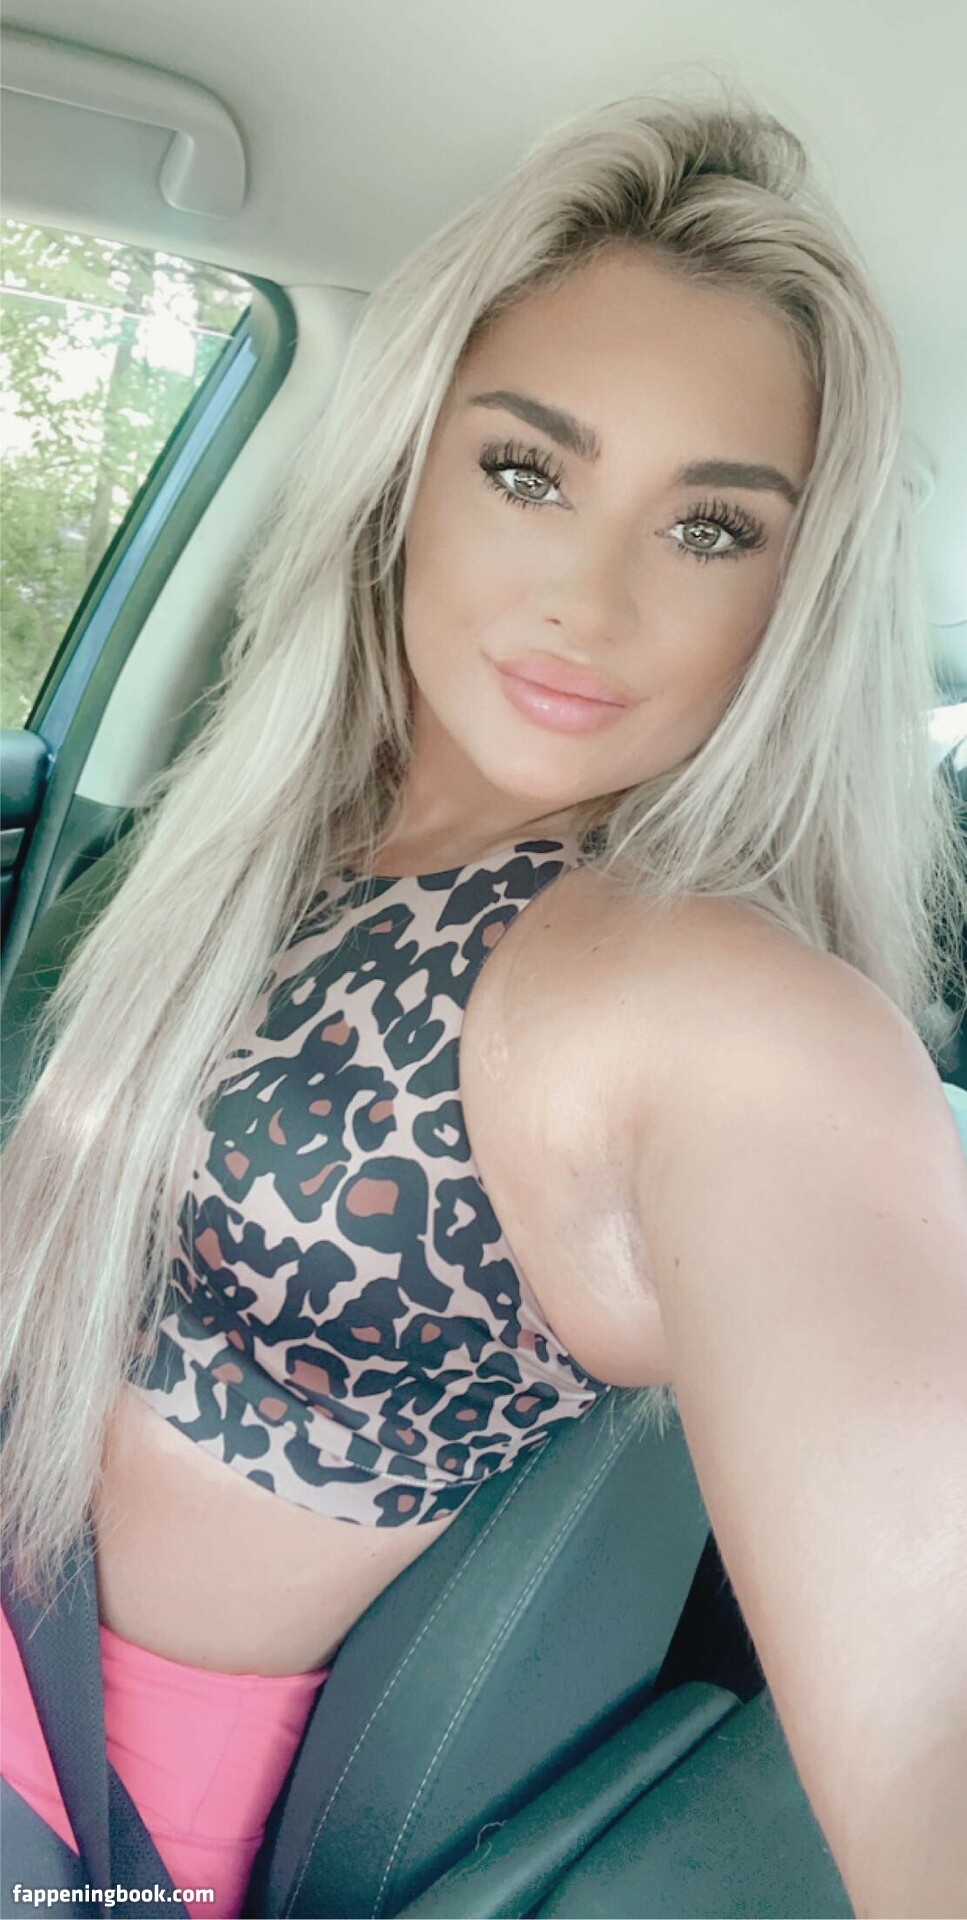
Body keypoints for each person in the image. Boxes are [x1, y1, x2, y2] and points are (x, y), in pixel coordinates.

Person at [2, 89, 966, 1919]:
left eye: (712, 528)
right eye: (530, 473)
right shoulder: (280, 842)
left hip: (67, 1824)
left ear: (795, 596)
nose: (590, 601)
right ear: (407, 476)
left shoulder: (706, 1003)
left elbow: (935, 1707)